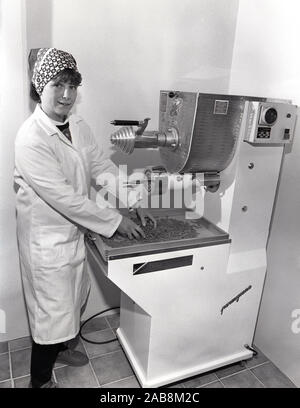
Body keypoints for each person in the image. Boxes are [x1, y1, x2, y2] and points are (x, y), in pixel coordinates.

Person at [14, 47, 156, 388]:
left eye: (72, 86)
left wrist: (132, 198)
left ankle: (63, 347)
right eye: (57, 85)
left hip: (73, 234)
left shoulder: (76, 124)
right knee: (50, 315)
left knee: (73, 300)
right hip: (46, 243)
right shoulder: (30, 139)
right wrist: (115, 221)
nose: (66, 95)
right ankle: (40, 380)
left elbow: (100, 166)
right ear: (39, 88)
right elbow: (65, 198)